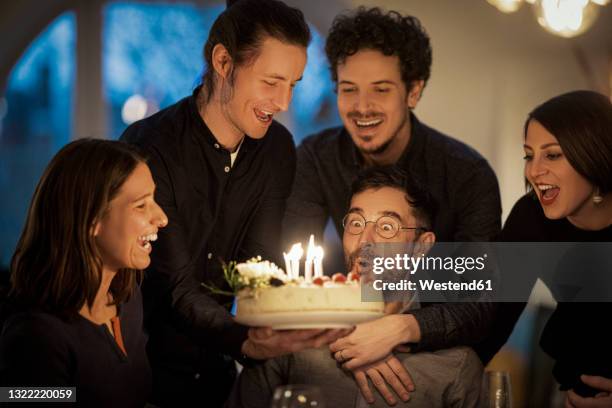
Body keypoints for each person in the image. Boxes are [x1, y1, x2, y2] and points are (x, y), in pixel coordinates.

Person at [120, 1, 345, 406]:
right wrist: (247, 341)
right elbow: (175, 287)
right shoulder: (150, 145)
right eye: (271, 82)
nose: (283, 102)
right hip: (143, 380)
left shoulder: (276, 149)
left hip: (222, 381)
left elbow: (257, 265)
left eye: (293, 84)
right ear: (223, 62)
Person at [283, 5, 501, 380]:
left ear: (413, 91)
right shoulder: (316, 158)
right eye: (349, 90)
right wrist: (358, 337)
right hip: (341, 341)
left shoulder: (467, 173)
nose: (362, 107)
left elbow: (482, 300)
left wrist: (396, 332)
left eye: (381, 90)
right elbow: (293, 275)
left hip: (437, 357)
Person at [228, 166, 483, 408]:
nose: (364, 241)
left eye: (386, 227)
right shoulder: (292, 341)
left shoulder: (455, 366)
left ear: (422, 246)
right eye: (356, 223)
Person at [0, 139, 168, 407]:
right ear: (92, 221)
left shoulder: (127, 298)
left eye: (154, 199)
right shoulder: (37, 338)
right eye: (141, 205)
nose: (161, 218)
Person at [498, 90, 612, 407]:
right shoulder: (531, 216)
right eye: (528, 155)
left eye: (551, 154)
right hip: (566, 395)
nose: (534, 171)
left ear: (594, 152)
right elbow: (492, 315)